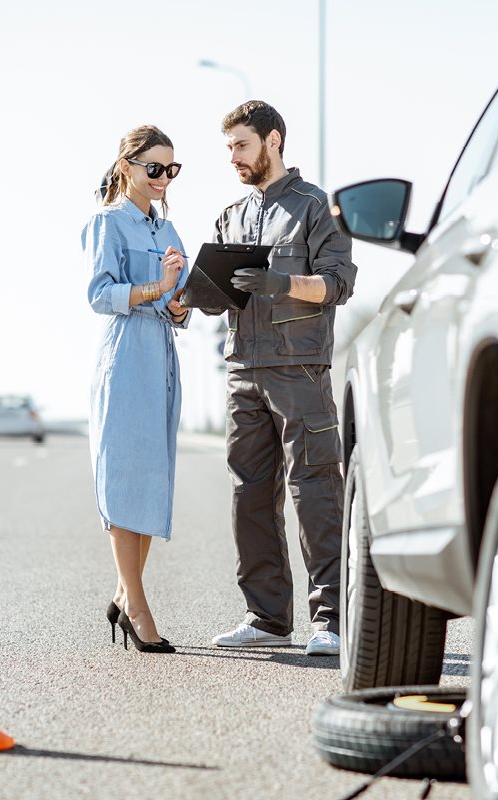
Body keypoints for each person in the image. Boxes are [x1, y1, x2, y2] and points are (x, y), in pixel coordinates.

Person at [207, 101, 357, 656]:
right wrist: (205, 294)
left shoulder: (317, 207)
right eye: (228, 149)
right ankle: (267, 618)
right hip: (243, 368)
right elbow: (222, 292)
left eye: (241, 146)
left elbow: (338, 284)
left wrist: (282, 283)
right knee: (249, 495)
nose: (234, 158)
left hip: (299, 369)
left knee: (315, 488)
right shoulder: (230, 215)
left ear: (273, 141)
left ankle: (336, 619)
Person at [82, 125, 190, 654]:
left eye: (171, 169)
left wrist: (178, 303)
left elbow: (180, 302)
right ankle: (138, 606)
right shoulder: (107, 222)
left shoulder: (168, 231)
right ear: (127, 166)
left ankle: (124, 595)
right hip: (125, 356)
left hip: (162, 355)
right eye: (154, 168)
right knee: (125, 477)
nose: (163, 179)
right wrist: (157, 289)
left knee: (150, 479)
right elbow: (100, 294)